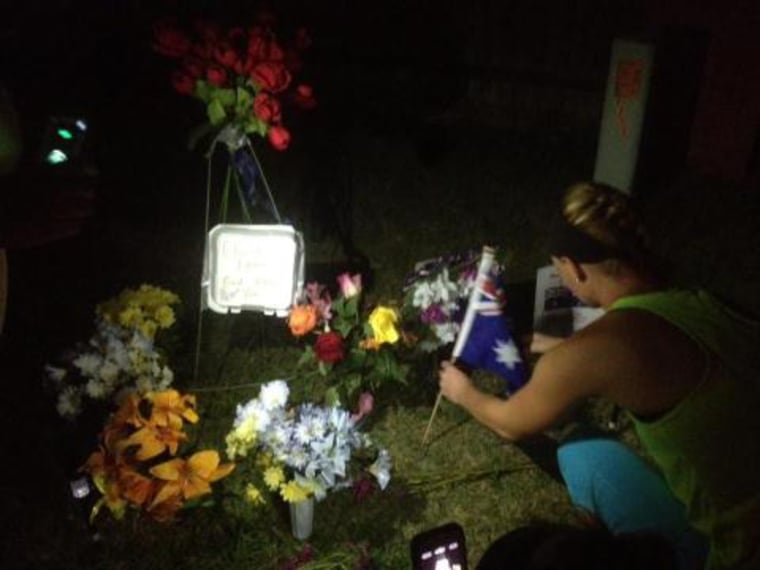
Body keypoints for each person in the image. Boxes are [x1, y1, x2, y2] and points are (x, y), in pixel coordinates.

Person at [438, 182, 760, 570]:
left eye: (560, 271)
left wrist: (463, 393)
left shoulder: (606, 351)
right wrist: (562, 349)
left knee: (577, 451)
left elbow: (512, 424)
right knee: (584, 454)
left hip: (735, 550)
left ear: (572, 268)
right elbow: (635, 341)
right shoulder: (696, 301)